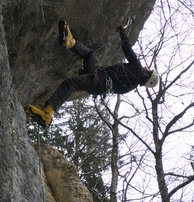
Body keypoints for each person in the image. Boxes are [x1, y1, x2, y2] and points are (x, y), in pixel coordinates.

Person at [26, 20, 159, 128]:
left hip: (98, 80)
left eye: (149, 70)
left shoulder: (137, 68)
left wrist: (122, 33)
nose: (147, 68)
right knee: (90, 55)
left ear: (147, 75)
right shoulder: (131, 87)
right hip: (97, 84)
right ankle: (69, 41)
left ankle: (48, 113)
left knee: (71, 83)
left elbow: (127, 49)